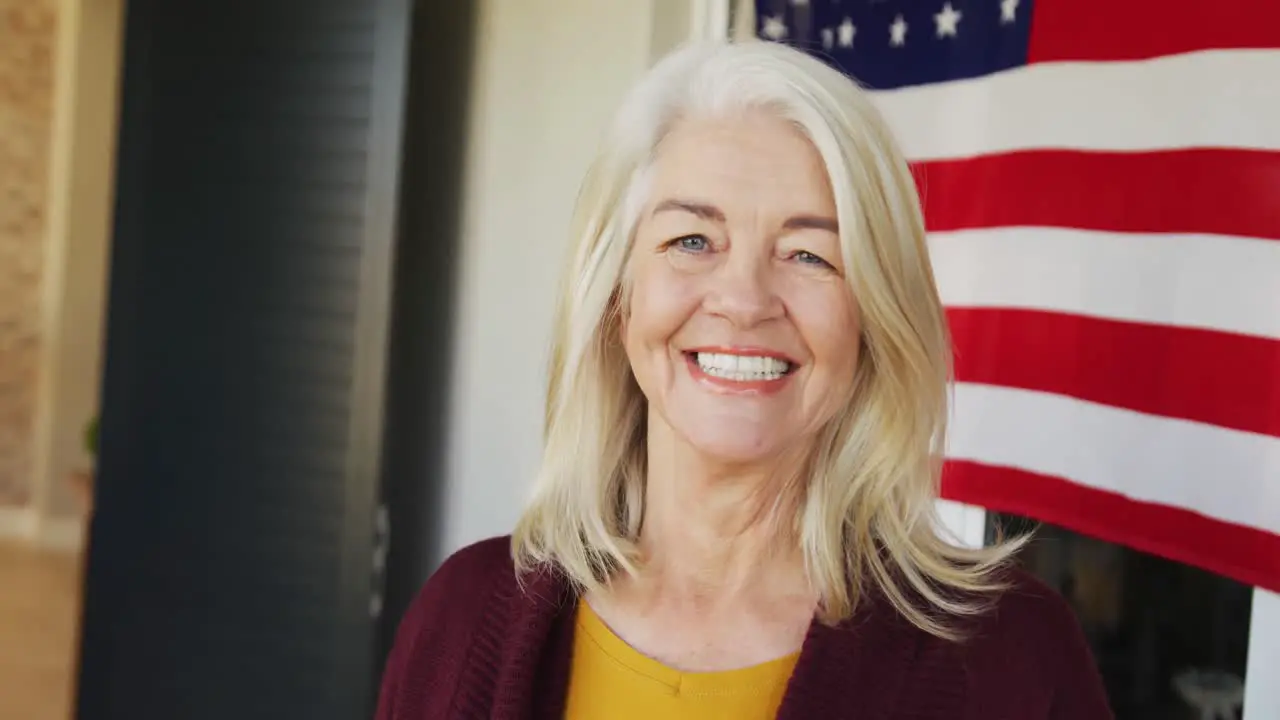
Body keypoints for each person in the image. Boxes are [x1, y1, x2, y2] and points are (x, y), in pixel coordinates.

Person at [375, 39, 1112, 719]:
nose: (745, 301)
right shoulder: (461, 620)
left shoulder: (1013, 660)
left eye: (808, 254)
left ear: (874, 315)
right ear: (616, 296)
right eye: (692, 240)